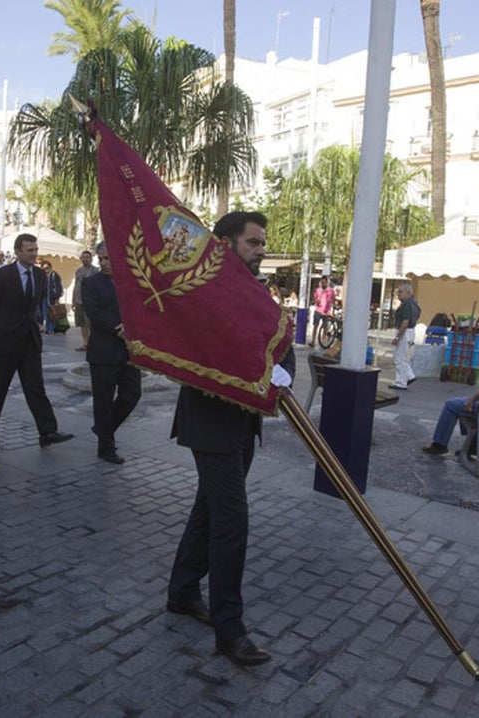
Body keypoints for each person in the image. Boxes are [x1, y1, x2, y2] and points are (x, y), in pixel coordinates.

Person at [166, 211, 295, 668]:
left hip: (243, 423)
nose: (261, 250)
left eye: (262, 243)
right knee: (231, 520)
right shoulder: (201, 289)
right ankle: (229, 629)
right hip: (210, 421)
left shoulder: (256, 292)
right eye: (253, 243)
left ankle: (182, 591)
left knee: (210, 509)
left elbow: (277, 345)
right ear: (225, 244)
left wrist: (283, 374)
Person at [0, 233, 74, 448]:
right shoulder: (3, 275)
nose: (34, 254)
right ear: (18, 251)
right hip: (5, 341)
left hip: (29, 340)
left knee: (35, 387)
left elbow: (34, 306)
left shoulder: (40, 275)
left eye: (35, 249)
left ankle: (47, 431)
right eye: (30, 250)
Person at [81, 242, 141, 464]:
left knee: (132, 395)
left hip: (129, 352)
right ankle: (106, 447)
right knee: (103, 401)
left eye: (108, 259)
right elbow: (94, 313)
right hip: (103, 352)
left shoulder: (132, 282)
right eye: (101, 259)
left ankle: (103, 428)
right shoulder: (91, 283)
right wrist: (121, 326)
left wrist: (133, 325)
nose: (104, 263)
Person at [389, 283, 421, 390]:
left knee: (400, 358)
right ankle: (409, 376)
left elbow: (405, 322)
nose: (398, 294)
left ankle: (401, 382)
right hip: (410, 332)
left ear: (408, 292)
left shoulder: (407, 305)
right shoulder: (414, 304)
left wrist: (398, 337)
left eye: (401, 292)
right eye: (398, 291)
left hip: (405, 332)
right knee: (402, 357)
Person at [72, 249, 99, 351]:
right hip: (79, 301)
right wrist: (73, 300)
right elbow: (76, 286)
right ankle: (85, 344)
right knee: (82, 324)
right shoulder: (78, 271)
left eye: (87, 257)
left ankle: (94, 343)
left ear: (91, 259)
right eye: (83, 257)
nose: (85, 259)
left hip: (90, 302)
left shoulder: (95, 271)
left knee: (91, 324)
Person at [310, 277, 336, 348]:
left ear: (327, 283)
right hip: (318, 310)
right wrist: (316, 301)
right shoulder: (318, 290)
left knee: (325, 326)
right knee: (315, 325)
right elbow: (314, 300)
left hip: (326, 311)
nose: (322, 284)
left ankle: (323, 341)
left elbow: (333, 301)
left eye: (324, 282)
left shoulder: (331, 291)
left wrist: (332, 310)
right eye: (321, 282)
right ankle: (313, 341)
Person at [41, 260, 64, 334]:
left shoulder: (54, 275)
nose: (45, 270)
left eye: (47, 268)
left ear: (50, 267)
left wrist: (57, 297)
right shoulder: (43, 276)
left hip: (52, 297)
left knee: (53, 313)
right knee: (47, 314)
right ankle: (48, 329)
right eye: (43, 269)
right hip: (45, 297)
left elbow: (58, 287)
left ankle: (52, 329)